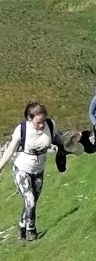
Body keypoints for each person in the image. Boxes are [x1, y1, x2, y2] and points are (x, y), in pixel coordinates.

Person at [0, 102, 64, 241]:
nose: (41, 125)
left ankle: (21, 227)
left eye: (43, 121)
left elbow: (57, 138)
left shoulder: (50, 125)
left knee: (32, 202)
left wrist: (70, 141)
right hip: (21, 169)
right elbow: (10, 150)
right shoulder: (22, 129)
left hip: (39, 171)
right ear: (30, 118)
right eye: (38, 122)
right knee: (30, 200)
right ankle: (31, 229)